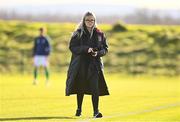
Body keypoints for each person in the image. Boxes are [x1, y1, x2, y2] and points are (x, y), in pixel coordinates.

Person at [65, 12, 109, 118]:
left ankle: (96, 111)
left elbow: (105, 49)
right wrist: (86, 49)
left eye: (92, 20)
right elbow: (72, 47)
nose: (90, 22)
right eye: (88, 20)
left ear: (95, 21)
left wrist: (97, 53)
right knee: (80, 88)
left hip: (94, 65)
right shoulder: (77, 33)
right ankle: (79, 109)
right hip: (81, 65)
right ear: (84, 21)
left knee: (95, 88)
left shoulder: (100, 34)